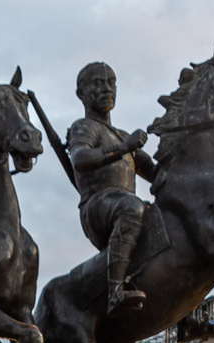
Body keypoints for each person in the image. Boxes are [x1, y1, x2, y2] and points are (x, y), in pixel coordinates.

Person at [67, 62, 157, 312]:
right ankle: (115, 290)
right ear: (81, 93)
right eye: (98, 83)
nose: (107, 88)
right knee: (132, 206)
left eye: (111, 82)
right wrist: (125, 147)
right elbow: (81, 159)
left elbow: (156, 174)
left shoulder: (120, 134)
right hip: (97, 207)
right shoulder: (84, 128)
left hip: (125, 205)